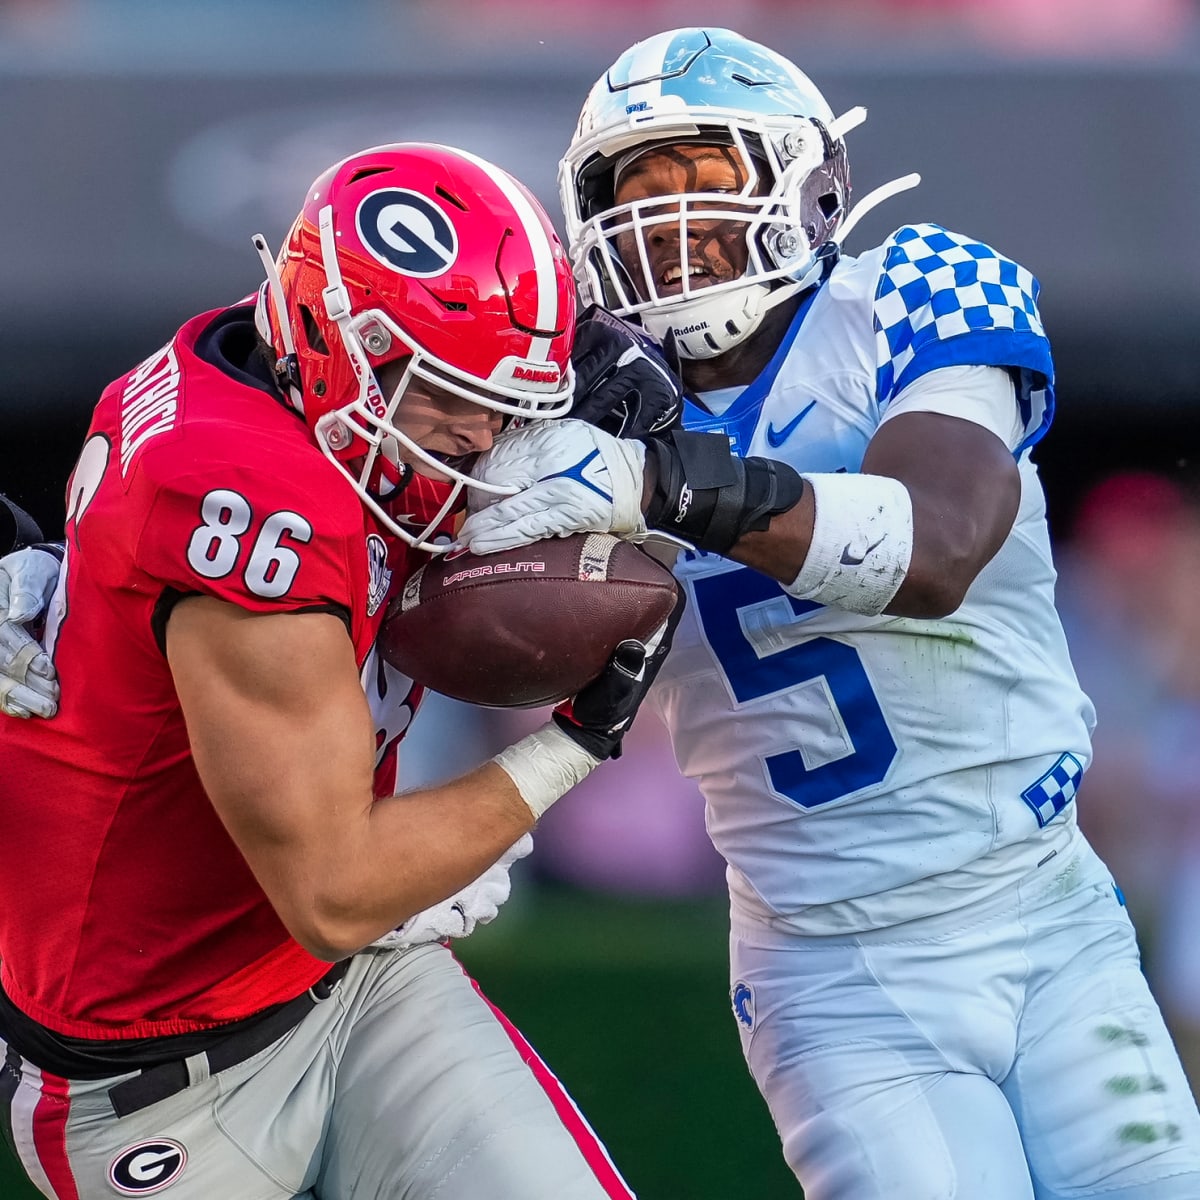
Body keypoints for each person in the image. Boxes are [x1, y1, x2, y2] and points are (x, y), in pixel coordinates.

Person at [450, 28, 1200, 1199]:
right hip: (837, 965)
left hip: (1046, 909)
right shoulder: (571, 422)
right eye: (634, 187)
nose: (667, 218)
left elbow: (938, 542)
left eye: (702, 175)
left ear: (808, 180)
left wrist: (670, 490)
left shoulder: (912, 291)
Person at [0, 142, 671, 1200]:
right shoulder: (246, 501)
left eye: (505, 401)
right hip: (152, 1078)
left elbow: (556, 348)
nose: (483, 436)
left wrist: (624, 380)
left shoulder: (292, 353)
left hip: (356, 990)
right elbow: (336, 890)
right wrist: (573, 744)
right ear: (336, 346)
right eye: (446, 396)